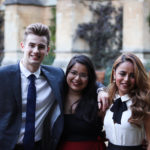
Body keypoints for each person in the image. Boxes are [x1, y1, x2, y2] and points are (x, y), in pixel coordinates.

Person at [0, 23, 65, 150]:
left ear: (47, 50)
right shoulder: (3, 75)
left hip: (40, 146)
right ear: (23, 46)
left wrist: (101, 90)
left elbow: (81, 81)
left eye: (41, 47)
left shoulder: (56, 76)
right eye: (31, 45)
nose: (36, 51)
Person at [58, 55, 106, 150]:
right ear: (67, 73)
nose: (77, 78)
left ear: (90, 78)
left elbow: (112, 129)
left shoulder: (98, 100)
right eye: (73, 73)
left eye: (83, 75)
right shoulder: (57, 95)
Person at [103, 53, 150, 150]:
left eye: (132, 75)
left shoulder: (144, 103)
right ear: (114, 73)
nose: (126, 79)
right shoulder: (108, 100)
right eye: (122, 73)